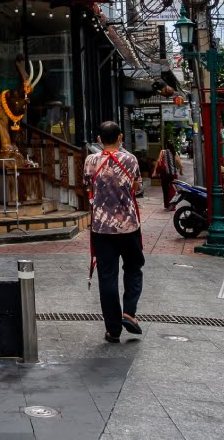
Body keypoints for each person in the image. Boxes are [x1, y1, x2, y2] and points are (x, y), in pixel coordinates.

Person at [84, 121, 144, 343]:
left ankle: (113, 330)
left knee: (107, 277)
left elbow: (88, 186)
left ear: (99, 140)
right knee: (134, 268)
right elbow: (135, 188)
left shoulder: (91, 161)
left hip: (102, 228)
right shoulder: (130, 159)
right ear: (120, 137)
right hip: (128, 226)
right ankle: (129, 312)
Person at [152, 139, 183, 210]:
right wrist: (180, 171)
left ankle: (166, 205)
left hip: (165, 174)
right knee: (172, 189)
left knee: (165, 189)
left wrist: (154, 171)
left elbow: (158, 161)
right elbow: (180, 165)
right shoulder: (174, 153)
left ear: (166, 146)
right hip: (173, 174)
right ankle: (172, 206)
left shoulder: (163, 152)